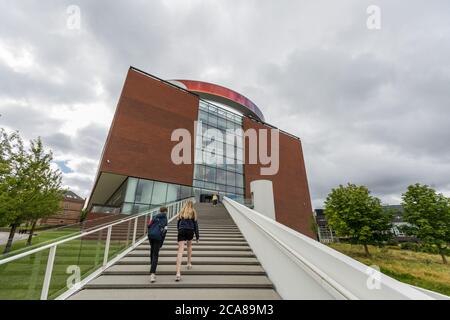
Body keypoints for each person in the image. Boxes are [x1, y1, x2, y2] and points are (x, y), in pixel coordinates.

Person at [175, 200, 199, 281]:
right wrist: (197, 236)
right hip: (190, 231)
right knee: (189, 246)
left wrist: (179, 230)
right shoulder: (193, 211)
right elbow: (196, 225)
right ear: (192, 205)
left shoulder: (182, 211)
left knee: (180, 251)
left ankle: (178, 273)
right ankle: (189, 263)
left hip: (181, 230)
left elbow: (178, 223)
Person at [147, 206, 168, 283]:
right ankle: (152, 274)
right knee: (155, 254)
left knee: (152, 251)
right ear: (165, 211)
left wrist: (150, 233)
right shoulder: (165, 219)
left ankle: (152, 266)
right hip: (158, 237)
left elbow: (149, 225)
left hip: (151, 236)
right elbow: (165, 231)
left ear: (160, 211)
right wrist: (162, 242)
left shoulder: (154, 216)